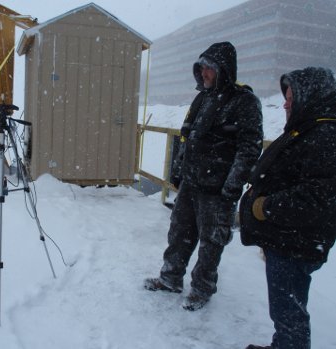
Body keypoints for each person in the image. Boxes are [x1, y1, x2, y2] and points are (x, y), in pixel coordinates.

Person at [144, 41, 263, 311]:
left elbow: (249, 149)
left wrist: (232, 186)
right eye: (203, 68)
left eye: (210, 68)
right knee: (179, 232)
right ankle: (170, 277)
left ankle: (202, 289)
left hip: (217, 190)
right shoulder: (203, 97)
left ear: (224, 69)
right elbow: (187, 136)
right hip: (191, 183)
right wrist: (178, 170)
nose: (205, 73)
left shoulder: (245, 102)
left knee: (211, 242)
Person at [240, 67, 336, 349]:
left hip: (296, 244)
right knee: (286, 309)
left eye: (291, 97)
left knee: (288, 312)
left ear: (311, 96)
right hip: (289, 239)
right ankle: (282, 344)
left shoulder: (325, 135)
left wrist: (265, 206)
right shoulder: (311, 128)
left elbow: (317, 197)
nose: (285, 103)